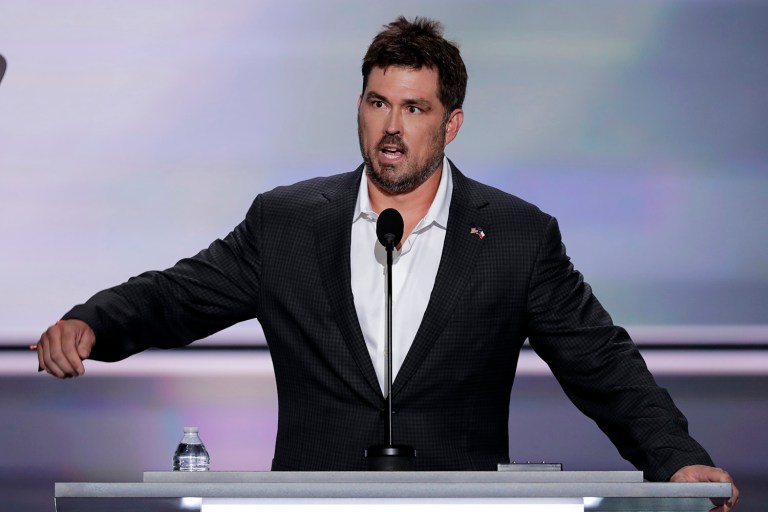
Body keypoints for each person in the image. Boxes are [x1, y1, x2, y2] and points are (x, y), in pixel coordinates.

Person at [37, 16, 738, 509]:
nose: (392, 127)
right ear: (360, 106)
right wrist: (92, 322)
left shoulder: (519, 238)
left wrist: (675, 457)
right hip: (312, 509)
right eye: (377, 103)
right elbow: (180, 295)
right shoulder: (286, 223)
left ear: (450, 123)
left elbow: (601, 363)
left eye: (413, 108)